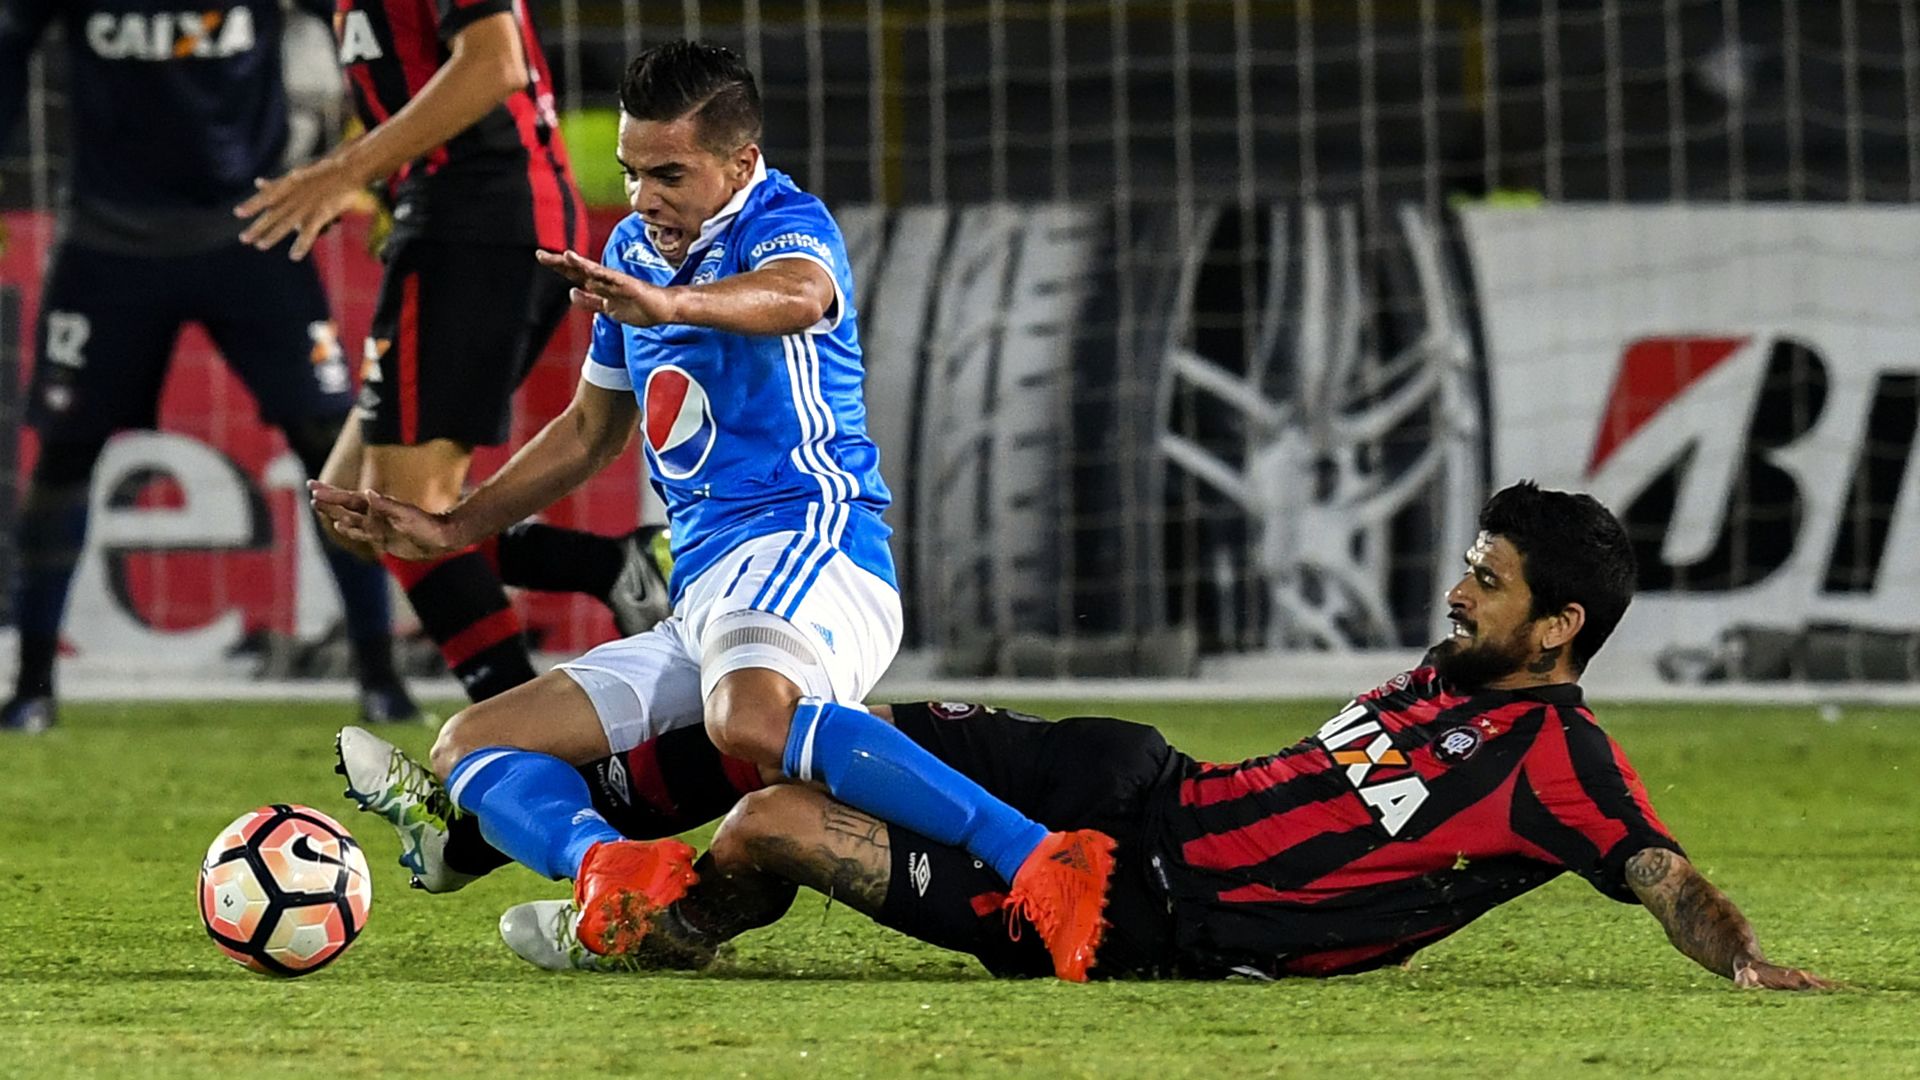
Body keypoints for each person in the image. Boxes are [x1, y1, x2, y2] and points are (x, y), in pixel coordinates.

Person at [318, 40, 1116, 981]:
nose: (644, 195)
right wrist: (454, 527)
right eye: (630, 173)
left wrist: (670, 302)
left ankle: (1042, 858)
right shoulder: (630, 252)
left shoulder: (785, 224)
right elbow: (586, 434)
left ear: (739, 164)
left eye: (668, 173)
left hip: (814, 543)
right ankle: (613, 870)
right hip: (704, 589)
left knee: (748, 721)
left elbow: (796, 295)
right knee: (472, 744)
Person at [494, 482, 1833, 989]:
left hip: (1148, 910)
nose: (1457, 592)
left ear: (1560, 630)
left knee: (768, 825)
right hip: (1140, 775)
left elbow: (1661, 873)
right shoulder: (1450, 673)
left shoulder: (1566, 769)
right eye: (1470, 566)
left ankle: (675, 920)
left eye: (1489, 581)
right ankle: (555, 813)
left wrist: (1747, 964)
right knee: (805, 728)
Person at [234, 0, 667, 705]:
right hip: (462, 218)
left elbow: (494, 62)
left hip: (479, 217)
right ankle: (612, 566)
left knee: (400, 505)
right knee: (356, 510)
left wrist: (346, 169)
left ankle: (519, 747)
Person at [0, 0, 418, 730]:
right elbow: (10, 43)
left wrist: (387, 161)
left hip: (256, 227)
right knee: (63, 454)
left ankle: (381, 676)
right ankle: (33, 685)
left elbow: (363, 22)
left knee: (332, 445)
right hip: (108, 239)